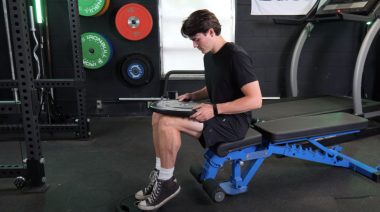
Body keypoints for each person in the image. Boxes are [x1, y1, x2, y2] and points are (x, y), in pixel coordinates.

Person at [135, 9, 262, 211]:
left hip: (233, 123)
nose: (194, 45)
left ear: (211, 32)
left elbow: (255, 100)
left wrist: (215, 109)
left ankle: (168, 183)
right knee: (159, 114)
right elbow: (215, 85)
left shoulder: (236, 56)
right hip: (218, 115)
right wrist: (193, 96)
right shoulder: (210, 56)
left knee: (168, 123)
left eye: (196, 39)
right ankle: (161, 175)